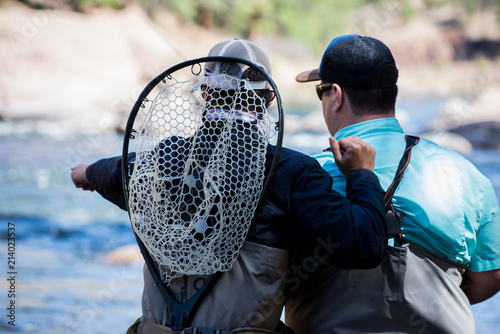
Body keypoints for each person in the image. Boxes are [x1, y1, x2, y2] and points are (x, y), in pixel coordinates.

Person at [71, 38, 388, 334]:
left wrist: (86, 172)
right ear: (270, 98)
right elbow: (364, 244)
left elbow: (116, 172)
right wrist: (362, 174)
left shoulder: (159, 160)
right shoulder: (292, 172)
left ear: (205, 92)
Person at [285, 34, 500, 334]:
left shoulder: (302, 177)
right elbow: (490, 277)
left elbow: (268, 274)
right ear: (391, 94)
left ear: (336, 95)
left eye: (320, 92)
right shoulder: (467, 174)